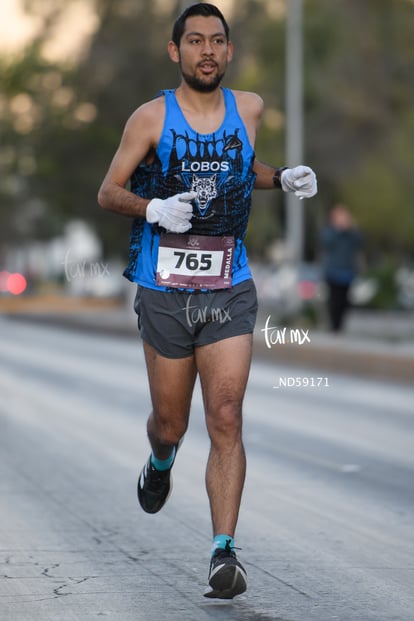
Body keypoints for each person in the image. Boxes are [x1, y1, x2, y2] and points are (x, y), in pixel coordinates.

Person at [98, 2, 317, 599]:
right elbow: (108, 190)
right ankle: (161, 459)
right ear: (176, 52)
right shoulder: (149, 118)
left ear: (229, 50)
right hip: (164, 290)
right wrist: (153, 208)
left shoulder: (248, 108)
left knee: (226, 416)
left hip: (228, 283)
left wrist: (284, 176)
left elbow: (241, 172)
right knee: (173, 423)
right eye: (195, 41)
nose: (207, 51)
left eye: (217, 41)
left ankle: (224, 552)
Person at [321, 204, 362, 332]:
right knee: (334, 302)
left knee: (345, 302)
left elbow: (359, 242)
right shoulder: (330, 232)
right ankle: (334, 327)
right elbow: (326, 242)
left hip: (347, 273)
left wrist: (351, 227)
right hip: (333, 272)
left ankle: (340, 326)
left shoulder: (351, 234)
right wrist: (338, 229)